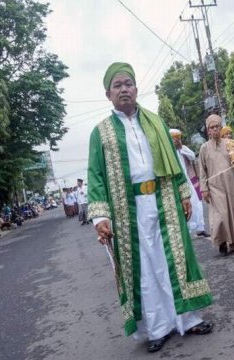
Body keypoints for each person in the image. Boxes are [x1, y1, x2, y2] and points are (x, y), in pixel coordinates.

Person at [87, 62, 213, 353]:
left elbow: (174, 162)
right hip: (127, 210)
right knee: (145, 268)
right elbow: (95, 175)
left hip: (164, 199)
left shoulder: (155, 121)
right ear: (108, 94)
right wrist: (100, 217)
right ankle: (157, 328)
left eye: (128, 84)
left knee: (177, 261)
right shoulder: (101, 133)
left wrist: (184, 194)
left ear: (136, 88)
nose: (124, 89)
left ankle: (189, 318)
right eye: (117, 85)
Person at [198, 115, 234, 255]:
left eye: (217, 127)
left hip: (230, 184)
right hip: (215, 188)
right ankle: (222, 242)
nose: (215, 130)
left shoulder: (229, 144)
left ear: (221, 128)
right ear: (208, 131)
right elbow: (202, 171)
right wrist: (204, 189)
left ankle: (233, 244)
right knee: (220, 216)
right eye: (212, 128)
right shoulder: (204, 148)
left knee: (233, 214)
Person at [169, 129, 210, 238]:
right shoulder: (168, 151)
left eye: (178, 138)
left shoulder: (183, 148)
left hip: (190, 180)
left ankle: (201, 228)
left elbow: (192, 156)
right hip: (177, 182)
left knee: (197, 202)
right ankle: (186, 230)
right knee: (183, 206)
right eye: (174, 138)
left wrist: (181, 147)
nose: (176, 140)